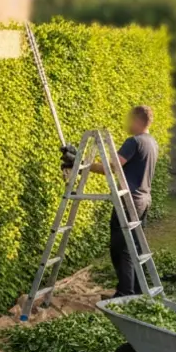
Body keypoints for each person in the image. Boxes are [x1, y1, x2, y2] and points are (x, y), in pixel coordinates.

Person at [66, 105, 158, 298]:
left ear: (137, 120)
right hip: (144, 199)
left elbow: (110, 168)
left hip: (129, 201)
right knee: (136, 247)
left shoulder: (134, 142)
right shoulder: (152, 142)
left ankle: (124, 293)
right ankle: (137, 291)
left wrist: (80, 163)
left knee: (121, 248)